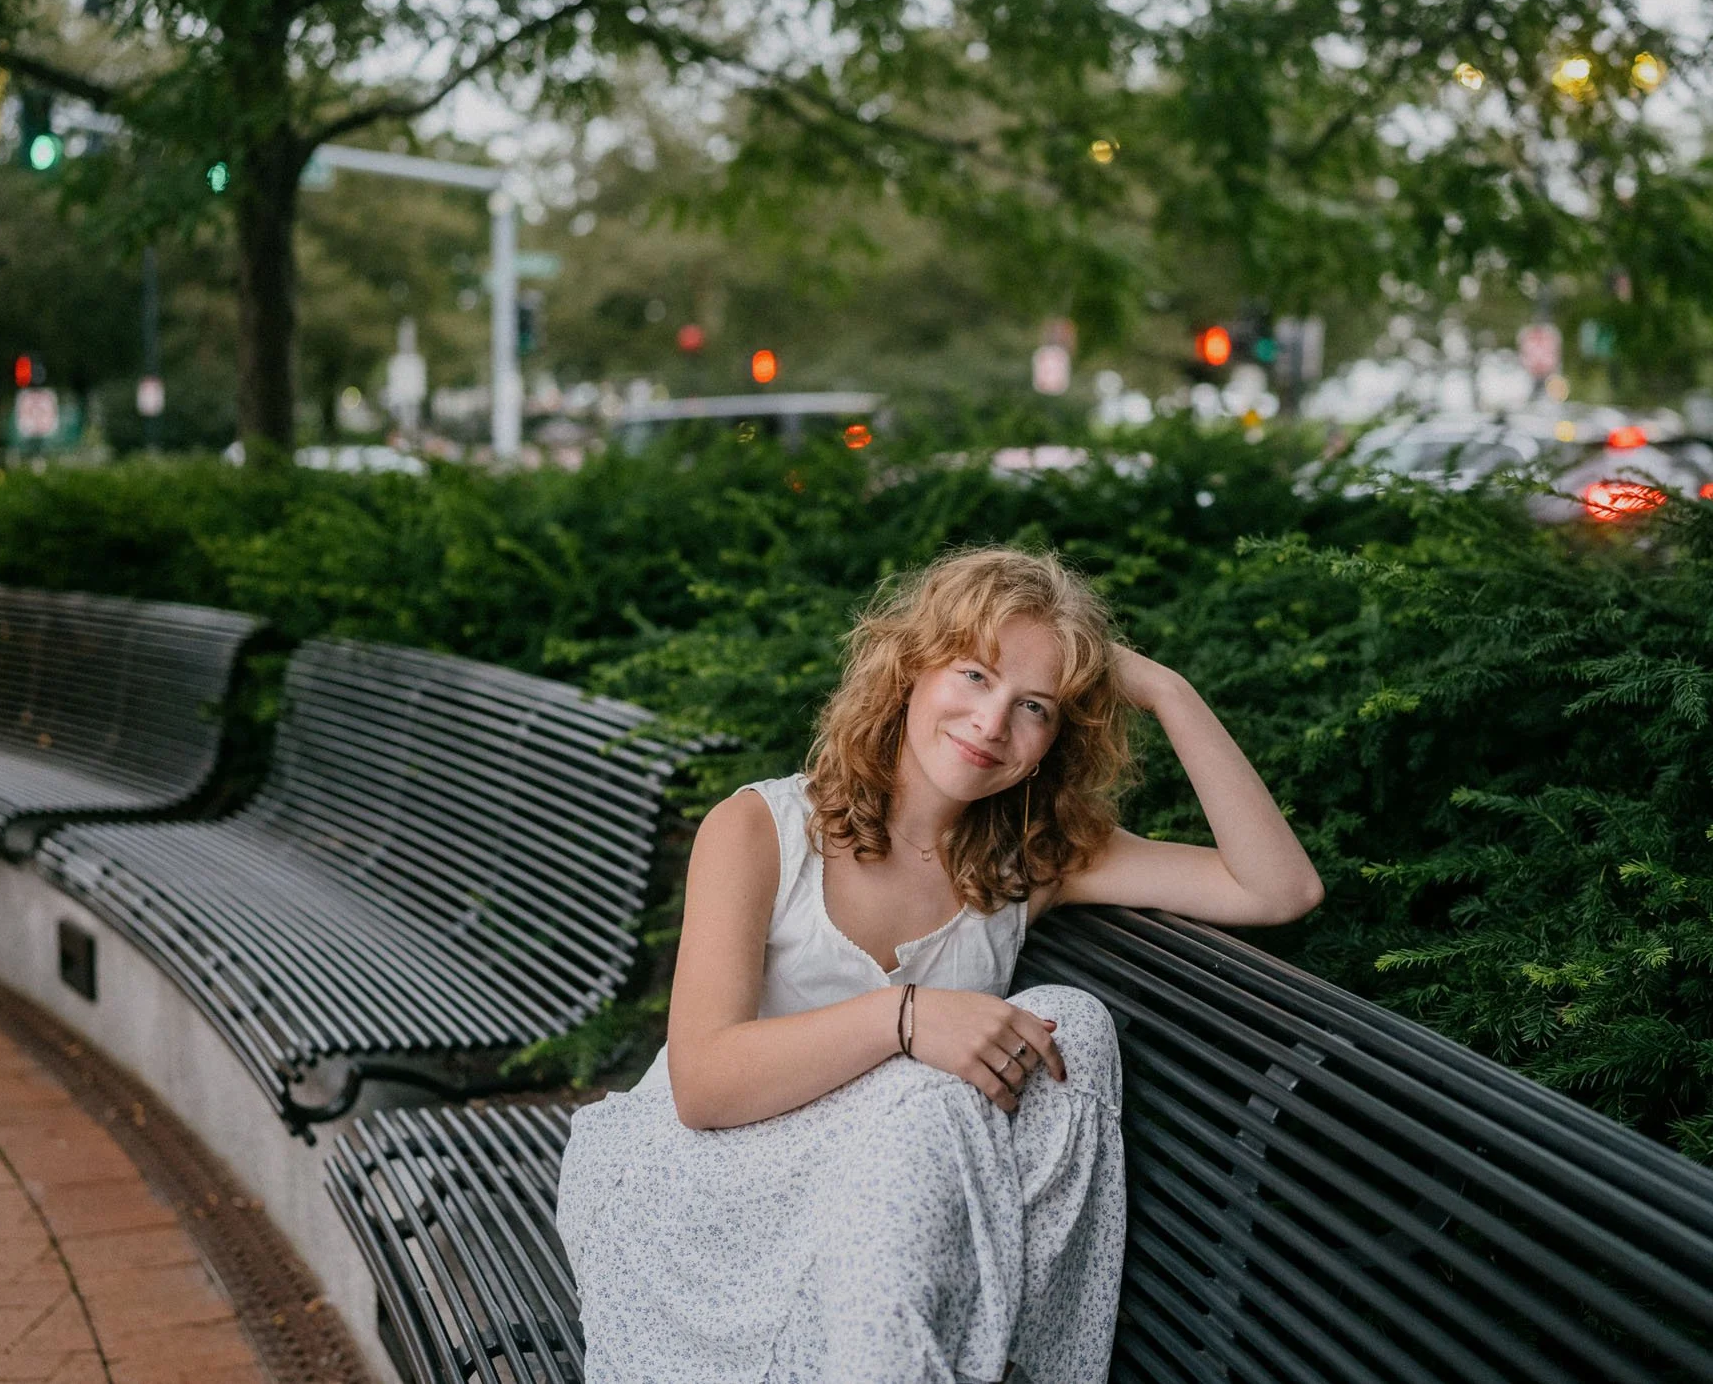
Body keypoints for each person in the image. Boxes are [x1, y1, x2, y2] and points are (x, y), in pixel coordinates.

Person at [556, 545, 1324, 1384]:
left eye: (1034, 705)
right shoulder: (757, 831)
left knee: (1079, 1027)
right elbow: (703, 1084)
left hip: (884, 1234)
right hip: (714, 1196)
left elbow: (1277, 887)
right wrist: (908, 1017)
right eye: (973, 674)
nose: (993, 722)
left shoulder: (1030, 860)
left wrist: (1168, 692)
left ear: (1054, 739)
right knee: (926, 1104)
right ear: (910, 671)